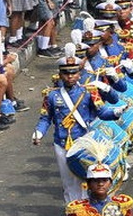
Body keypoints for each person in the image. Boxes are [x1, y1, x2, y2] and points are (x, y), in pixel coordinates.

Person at [33, 49, 123, 203]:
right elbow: (45, 118)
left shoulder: (89, 92)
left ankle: (91, 209)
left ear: (79, 75)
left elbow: (102, 113)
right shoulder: (51, 95)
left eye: (73, 73)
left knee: (89, 179)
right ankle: (73, 212)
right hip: (61, 144)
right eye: (66, 74)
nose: (70, 77)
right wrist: (38, 133)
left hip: (84, 143)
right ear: (60, 75)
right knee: (68, 182)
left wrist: (116, 113)